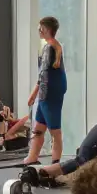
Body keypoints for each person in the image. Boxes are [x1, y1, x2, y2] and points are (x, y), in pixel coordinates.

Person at [23, 17, 66, 166]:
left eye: (40, 28)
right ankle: (32, 157)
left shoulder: (50, 48)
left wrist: (33, 94)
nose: (39, 31)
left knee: (55, 132)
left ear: (46, 29)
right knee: (38, 128)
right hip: (47, 95)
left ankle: (55, 164)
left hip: (47, 95)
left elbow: (44, 75)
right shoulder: (54, 46)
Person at [0, 90, 28, 155]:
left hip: (5, 133)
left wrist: (7, 114)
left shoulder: (1, 105)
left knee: (5, 124)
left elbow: (10, 119)